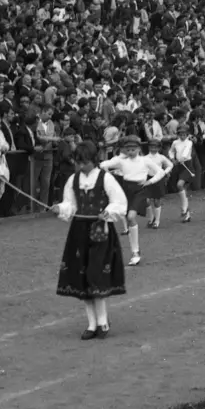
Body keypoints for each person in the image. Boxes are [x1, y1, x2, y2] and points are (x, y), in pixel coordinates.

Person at [51, 140, 127, 340]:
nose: (81, 166)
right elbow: (70, 204)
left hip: (100, 230)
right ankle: (92, 324)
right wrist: (61, 208)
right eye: (78, 162)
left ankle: (102, 321)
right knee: (82, 275)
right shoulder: (73, 180)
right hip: (79, 231)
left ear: (94, 160)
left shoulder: (106, 178)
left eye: (84, 162)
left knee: (96, 274)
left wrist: (108, 212)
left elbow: (119, 202)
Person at [99, 135, 162, 266]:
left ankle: (135, 252)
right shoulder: (122, 161)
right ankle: (135, 251)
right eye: (128, 149)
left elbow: (160, 172)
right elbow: (103, 164)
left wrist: (150, 181)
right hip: (126, 190)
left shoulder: (145, 161)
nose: (130, 152)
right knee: (128, 218)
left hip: (140, 190)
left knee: (131, 216)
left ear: (139, 149)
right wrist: (108, 172)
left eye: (133, 149)